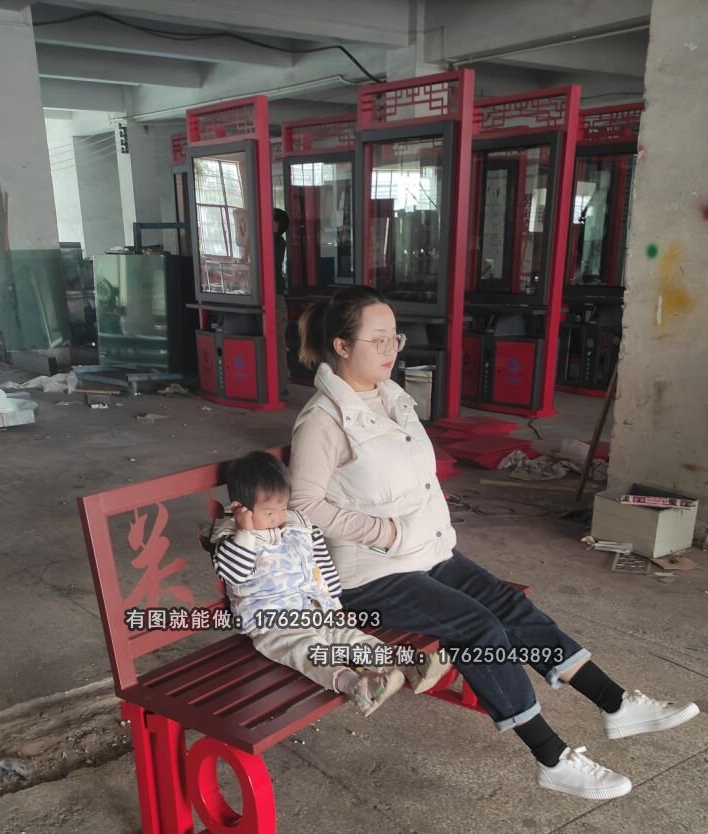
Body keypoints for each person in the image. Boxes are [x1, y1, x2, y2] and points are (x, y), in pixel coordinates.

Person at [288, 285, 700, 799]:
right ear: (342, 346)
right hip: (370, 575)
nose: (392, 348)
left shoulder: (391, 397)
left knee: (509, 606)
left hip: (427, 552)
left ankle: (615, 704)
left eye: (395, 337)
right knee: (477, 626)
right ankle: (551, 758)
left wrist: (415, 531)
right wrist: (386, 533)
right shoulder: (323, 420)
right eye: (378, 339)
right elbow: (304, 505)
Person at [209, 451, 443, 718]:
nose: (279, 517)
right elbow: (235, 574)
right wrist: (245, 532)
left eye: (283, 508)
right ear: (239, 509)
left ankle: (406, 665)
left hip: (313, 608)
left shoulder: (299, 526)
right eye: (269, 512)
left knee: (348, 636)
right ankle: (356, 686)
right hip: (270, 623)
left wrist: (334, 605)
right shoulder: (231, 540)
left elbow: (322, 566)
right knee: (309, 650)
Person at [273, 208, 290, 400]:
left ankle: (279, 386)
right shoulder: (276, 242)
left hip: (275, 298)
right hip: (273, 296)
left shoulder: (276, 241)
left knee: (276, 342)